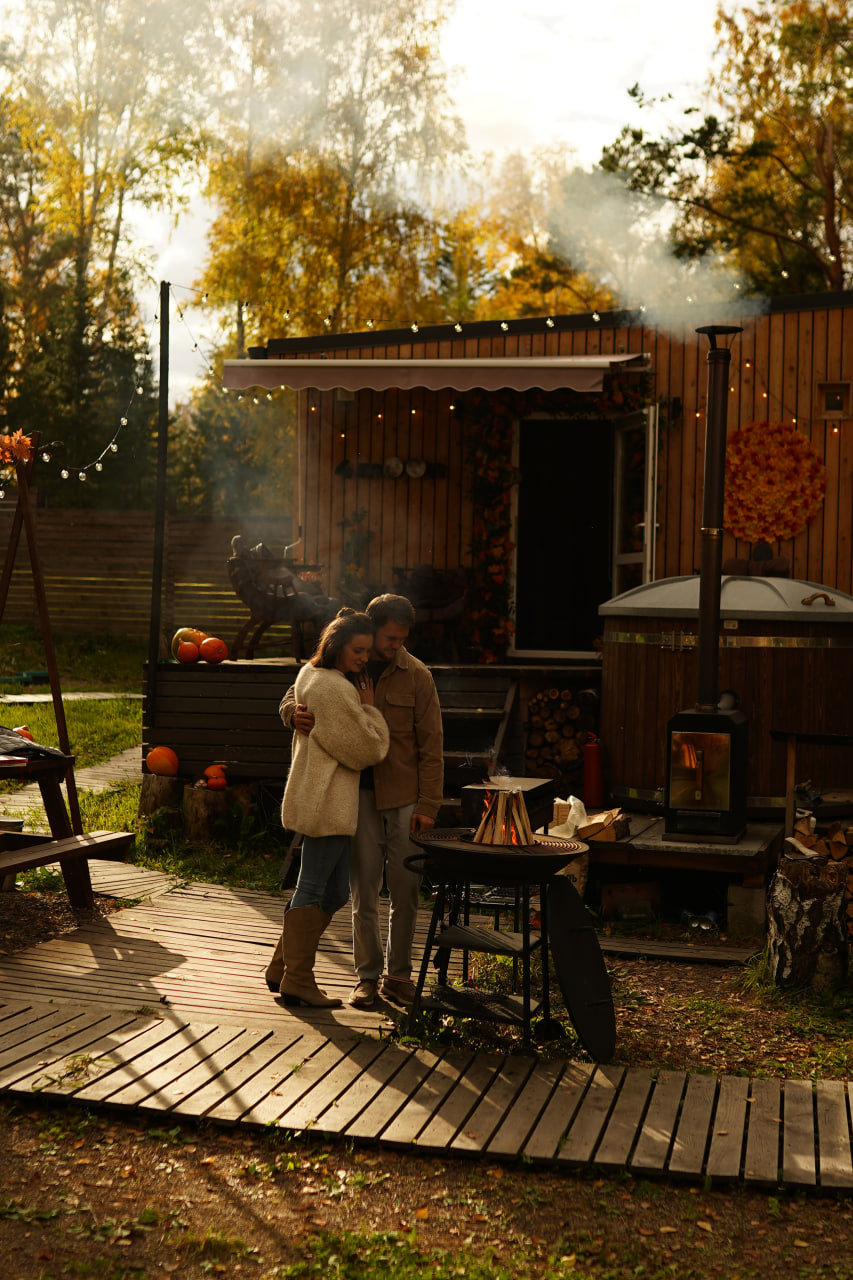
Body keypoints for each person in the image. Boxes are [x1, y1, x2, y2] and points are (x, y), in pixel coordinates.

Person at [281, 593, 443, 1009]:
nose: (393, 646)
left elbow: (432, 746)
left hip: (405, 799)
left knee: (405, 893)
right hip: (358, 798)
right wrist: (289, 713)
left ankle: (399, 976)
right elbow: (299, 690)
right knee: (362, 891)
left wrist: (428, 805)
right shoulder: (351, 659)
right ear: (371, 632)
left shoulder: (418, 676)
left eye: (400, 639)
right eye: (388, 638)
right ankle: (366, 978)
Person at [265, 609, 389, 1008]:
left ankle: (282, 965)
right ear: (336, 646)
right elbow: (368, 749)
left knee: (334, 890)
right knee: (313, 886)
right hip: (325, 800)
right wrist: (370, 709)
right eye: (358, 650)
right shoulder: (333, 688)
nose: (364, 658)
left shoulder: (311, 673)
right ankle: (298, 978)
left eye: (367, 650)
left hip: (328, 799)